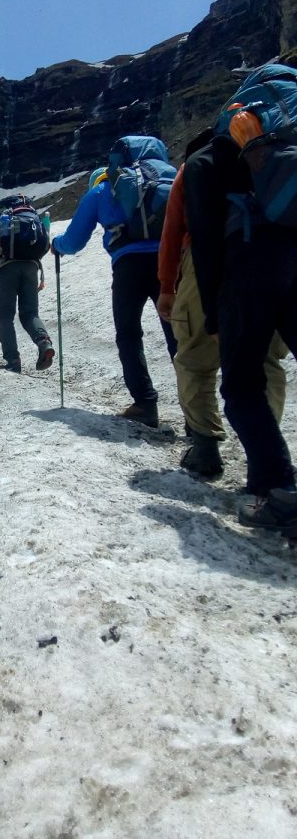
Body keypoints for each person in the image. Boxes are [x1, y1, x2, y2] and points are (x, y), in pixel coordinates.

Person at [184, 65, 297, 531]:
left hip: (248, 270)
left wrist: (212, 309)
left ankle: (279, 491)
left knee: (241, 384)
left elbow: (206, 243)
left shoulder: (208, 159)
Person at [157, 138, 287, 478]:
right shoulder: (275, 158)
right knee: (266, 361)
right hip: (277, 260)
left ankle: (205, 448)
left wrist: (167, 287)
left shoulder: (195, 167)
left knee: (194, 360)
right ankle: (265, 455)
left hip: (205, 261)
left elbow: (173, 231)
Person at [52, 149, 177, 428]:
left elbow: (73, 241)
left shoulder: (100, 191)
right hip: (169, 262)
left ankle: (145, 403)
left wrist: (56, 245)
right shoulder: (164, 180)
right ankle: (197, 414)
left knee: (129, 334)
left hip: (128, 268)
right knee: (178, 333)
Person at [0, 198, 54, 373]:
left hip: (5, 270)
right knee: (30, 313)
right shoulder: (25, 217)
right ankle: (44, 342)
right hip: (31, 267)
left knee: (5, 317)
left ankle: (13, 360)